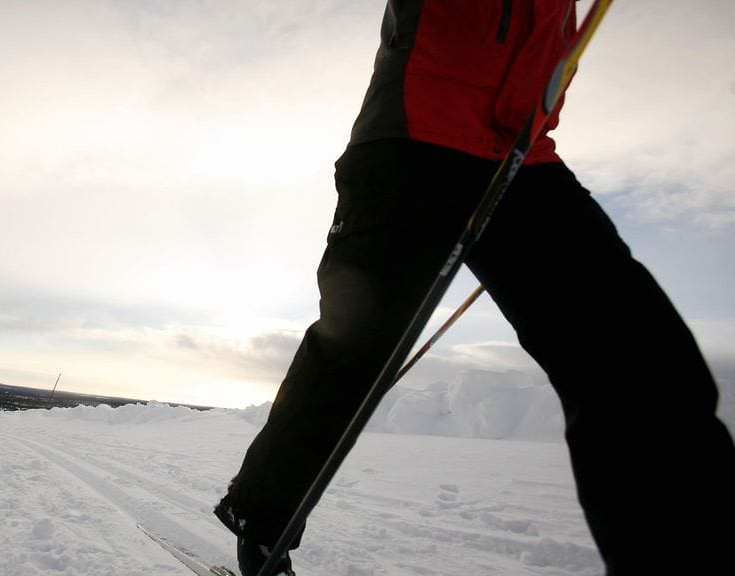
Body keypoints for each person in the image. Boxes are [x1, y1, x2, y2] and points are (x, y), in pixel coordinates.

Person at [213, 1, 735, 575]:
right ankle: (261, 519)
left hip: (523, 153)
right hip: (410, 137)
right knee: (357, 351)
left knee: (636, 356)